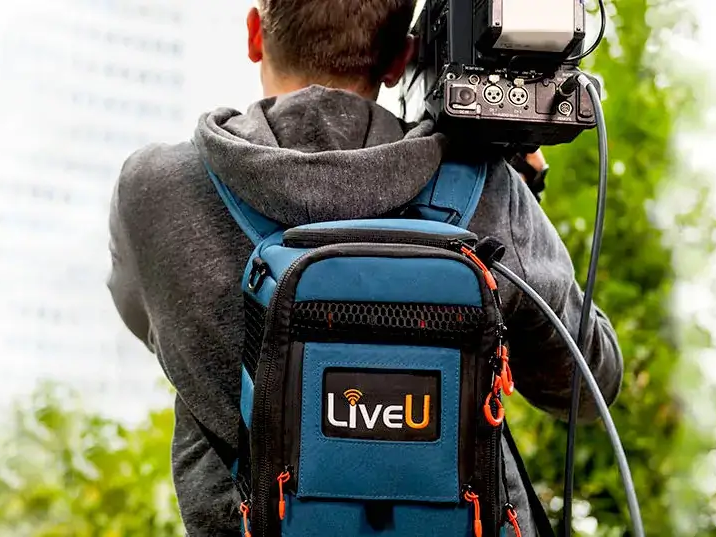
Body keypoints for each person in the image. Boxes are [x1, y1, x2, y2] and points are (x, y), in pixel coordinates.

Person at [107, 1, 624, 535]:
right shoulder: (484, 187)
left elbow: (148, 323)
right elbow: (589, 385)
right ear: (401, 59)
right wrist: (517, 197)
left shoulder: (153, 190)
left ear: (255, 34)